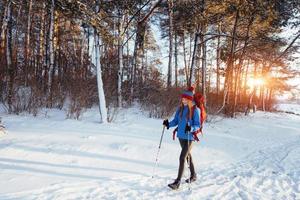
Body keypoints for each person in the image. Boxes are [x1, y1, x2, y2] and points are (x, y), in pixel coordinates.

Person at [163, 87, 201, 190]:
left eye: (185, 98)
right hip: (181, 137)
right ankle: (193, 175)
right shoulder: (180, 109)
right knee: (188, 156)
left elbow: (198, 125)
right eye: (182, 98)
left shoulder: (195, 110)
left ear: (189, 99)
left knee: (182, 158)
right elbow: (175, 121)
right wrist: (168, 124)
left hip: (190, 137)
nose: (183, 100)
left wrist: (191, 128)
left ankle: (177, 182)